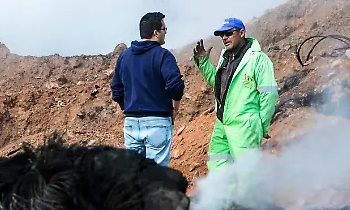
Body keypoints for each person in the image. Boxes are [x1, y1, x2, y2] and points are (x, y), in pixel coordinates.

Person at [194, 18, 278, 170]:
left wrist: (262, 126)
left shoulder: (257, 59)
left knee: (246, 172)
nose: (224, 37)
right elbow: (219, 86)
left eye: (228, 33)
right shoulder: (226, 58)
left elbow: (269, 94)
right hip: (222, 123)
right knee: (218, 165)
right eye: (222, 35)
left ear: (242, 33)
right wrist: (204, 62)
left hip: (245, 126)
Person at [111, 12, 185, 167]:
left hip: (131, 123)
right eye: (164, 29)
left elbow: (117, 91)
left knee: (134, 173)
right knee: (156, 175)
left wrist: (129, 108)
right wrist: (175, 108)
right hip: (157, 122)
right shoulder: (163, 56)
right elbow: (176, 86)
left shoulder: (124, 57)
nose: (165, 33)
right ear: (156, 33)